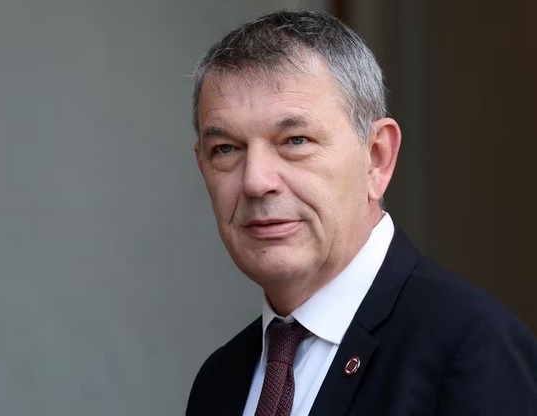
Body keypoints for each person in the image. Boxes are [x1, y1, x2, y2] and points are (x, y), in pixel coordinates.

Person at [185, 9, 537, 416]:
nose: (256, 181)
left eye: (295, 140)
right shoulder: (220, 381)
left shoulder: (474, 352)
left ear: (376, 158)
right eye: (226, 149)